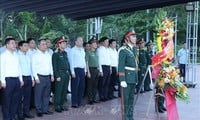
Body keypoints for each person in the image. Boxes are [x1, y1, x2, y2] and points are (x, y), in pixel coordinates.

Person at [0, 38, 24, 120]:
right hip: (8, 81)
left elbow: (19, 68)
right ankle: (6, 118)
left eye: (15, 43)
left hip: (16, 80)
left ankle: (12, 117)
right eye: (12, 43)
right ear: (7, 45)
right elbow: (1, 69)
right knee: (6, 102)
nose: (15, 45)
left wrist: (21, 79)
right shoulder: (3, 56)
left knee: (15, 101)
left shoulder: (16, 55)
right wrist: (3, 81)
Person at [118, 30, 138, 120]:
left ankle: (130, 117)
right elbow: (121, 65)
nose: (135, 38)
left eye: (135, 36)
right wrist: (122, 79)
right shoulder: (123, 50)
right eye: (133, 36)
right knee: (125, 101)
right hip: (126, 77)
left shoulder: (133, 49)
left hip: (133, 77)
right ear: (127, 38)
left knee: (131, 100)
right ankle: (126, 118)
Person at [32, 39, 54, 117]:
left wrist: (52, 75)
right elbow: (33, 67)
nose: (45, 46)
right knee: (38, 94)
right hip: (39, 77)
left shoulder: (48, 54)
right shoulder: (35, 55)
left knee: (47, 94)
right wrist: (36, 77)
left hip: (47, 77)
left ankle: (45, 109)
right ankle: (39, 110)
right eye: (43, 44)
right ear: (39, 45)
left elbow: (50, 65)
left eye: (45, 44)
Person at [52, 37, 70, 112]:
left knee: (64, 90)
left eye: (65, 43)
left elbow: (67, 63)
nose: (65, 44)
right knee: (58, 91)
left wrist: (69, 73)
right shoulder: (55, 54)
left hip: (66, 73)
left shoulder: (65, 53)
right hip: (60, 74)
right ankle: (57, 106)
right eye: (63, 43)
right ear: (58, 44)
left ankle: (62, 104)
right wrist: (57, 76)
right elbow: (54, 66)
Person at [17, 41, 35, 119]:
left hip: (28, 78)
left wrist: (33, 78)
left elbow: (31, 68)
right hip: (21, 78)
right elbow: (18, 69)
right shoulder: (17, 56)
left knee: (27, 97)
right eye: (25, 46)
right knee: (19, 97)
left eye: (27, 46)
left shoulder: (28, 55)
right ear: (20, 47)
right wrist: (20, 79)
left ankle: (26, 112)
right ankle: (19, 114)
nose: (27, 47)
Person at [70, 37, 86, 108]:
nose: (81, 42)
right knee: (75, 87)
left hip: (82, 69)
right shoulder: (72, 50)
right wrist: (72, 72)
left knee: (81, 86)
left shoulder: (82, 50)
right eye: (79, 41)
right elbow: (71, 61)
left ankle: (79, 101)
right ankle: (74, 102)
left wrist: (85, 70)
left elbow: (84, 60)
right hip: (76, 69)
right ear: (76, 42)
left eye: (82, 41)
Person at [85, 38, 99, 104]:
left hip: (96, 70)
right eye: (94, 43)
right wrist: (88, 72)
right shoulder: (88, 52)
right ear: (90, 45)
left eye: (96, 43)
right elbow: (87, 63)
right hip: (91, 69)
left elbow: (97, 62)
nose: (96, 44)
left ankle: (93, 98)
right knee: (90, 85)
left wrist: (99, 69)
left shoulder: (96, 52)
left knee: (95, 85)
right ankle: (90, 99)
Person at [97, 37, 111, 101]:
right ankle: (101, 96)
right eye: (106, 41)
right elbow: (99, 60)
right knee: (102, 83)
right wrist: (100, 70)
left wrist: (110, 68)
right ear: (102, 42)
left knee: (107, 83)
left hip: (108, 67)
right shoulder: (99, 50)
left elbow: (109, 60)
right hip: (103, 67)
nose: (107, 43)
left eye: (108, 42)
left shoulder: (108, 50)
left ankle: (105, 95)